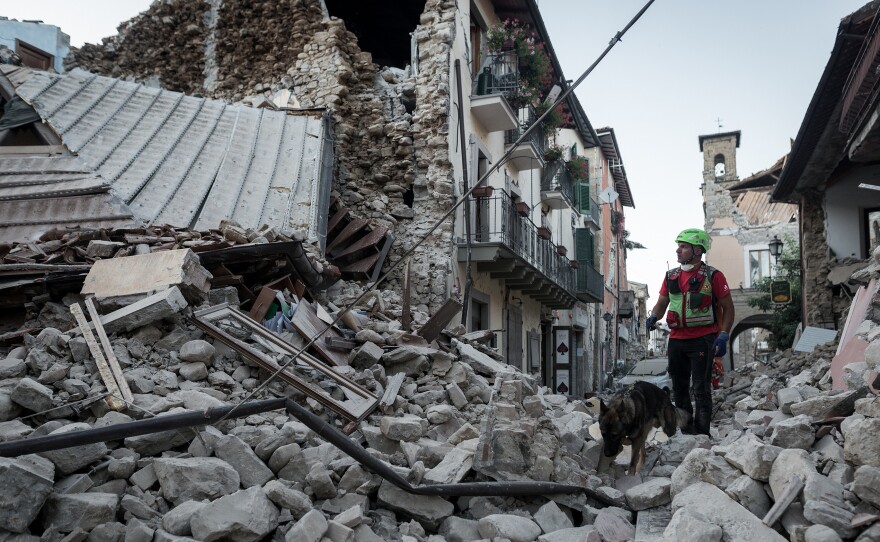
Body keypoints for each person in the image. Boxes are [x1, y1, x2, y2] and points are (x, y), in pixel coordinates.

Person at [646, 228, 734, 435]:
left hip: (704, 339)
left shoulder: (714, 276)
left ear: (697, 250)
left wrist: (724, 334)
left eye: (683, 247)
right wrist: (653, 317)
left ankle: (703, 434)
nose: (678, 251)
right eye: (678, 246)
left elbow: (728, 308)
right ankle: (687, 432)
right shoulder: (671, 276)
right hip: (677, 340)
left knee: (701, 389)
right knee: (680, 387)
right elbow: (661, 304)